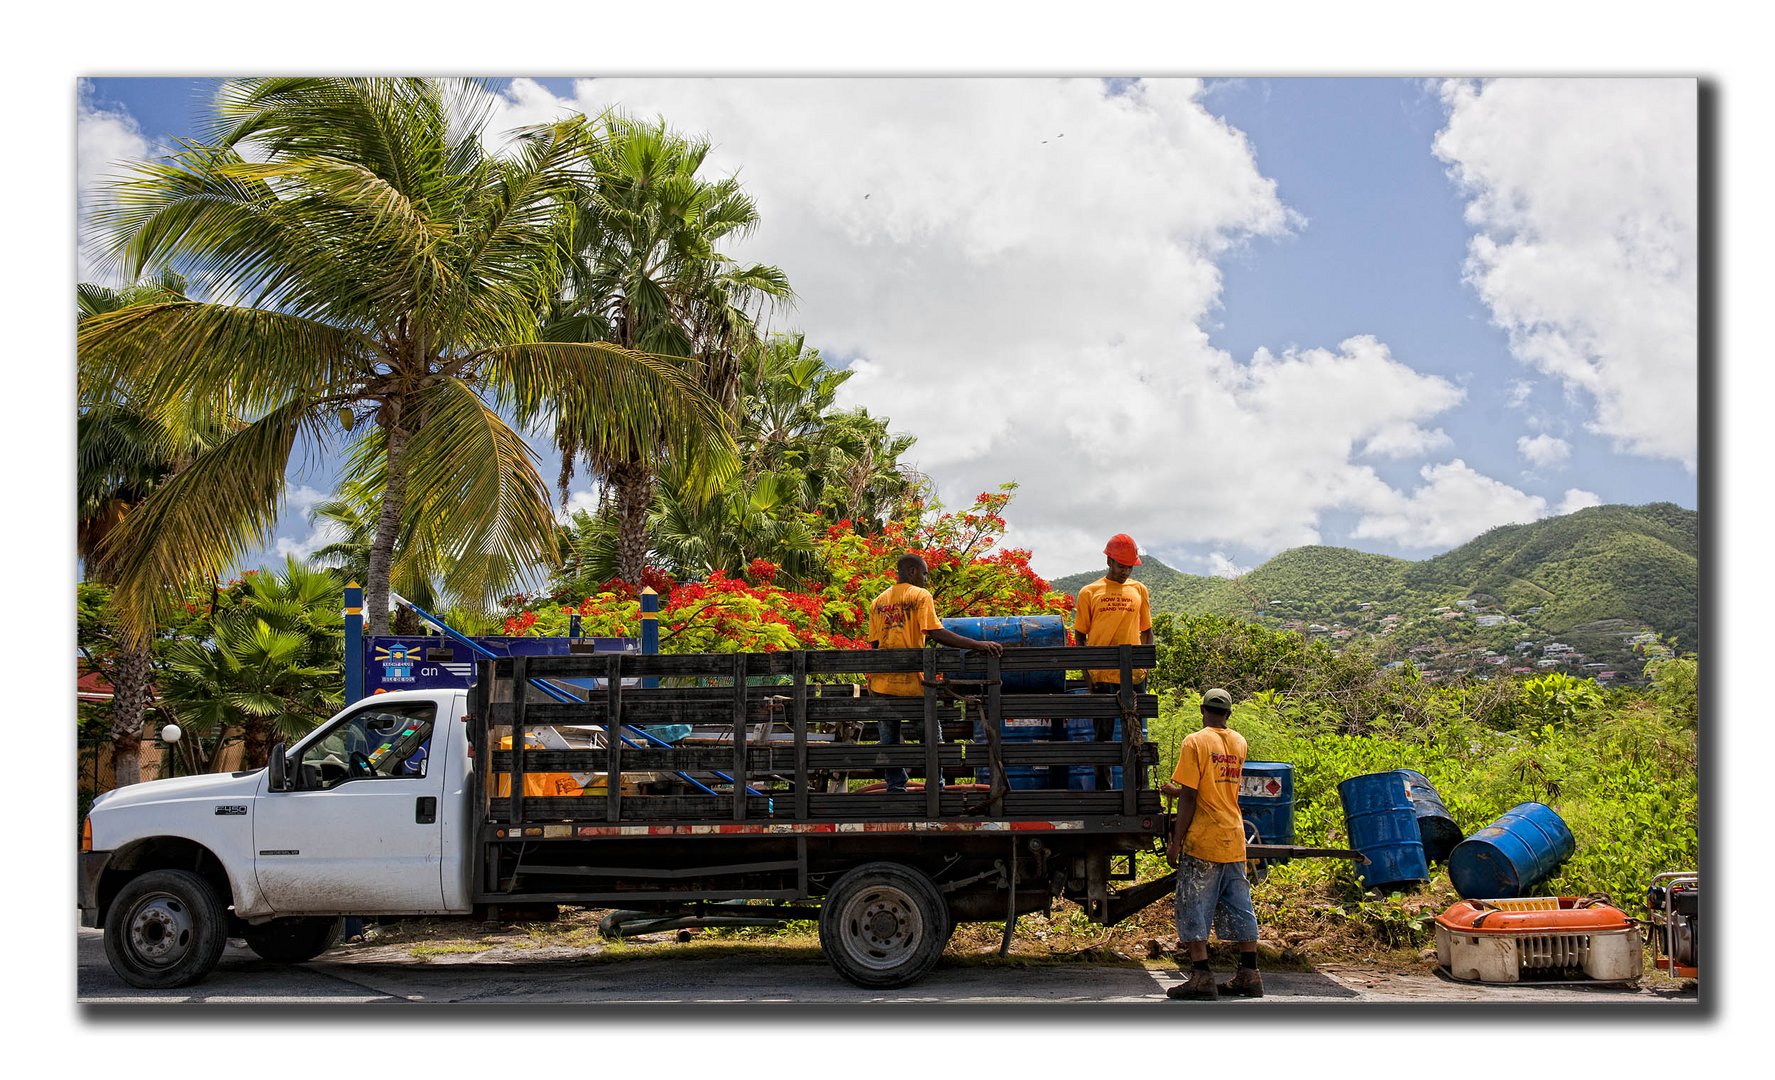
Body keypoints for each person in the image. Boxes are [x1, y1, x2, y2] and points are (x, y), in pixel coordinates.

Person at [866, 554, 1003, 793]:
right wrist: (977, 645)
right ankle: (935, 787)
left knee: (889, 739)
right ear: (911, 571)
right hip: (913, 684)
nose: (926, 579)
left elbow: (875, 646)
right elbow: (936, 633)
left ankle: (896, 788)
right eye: (924, 573)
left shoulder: (878, 601)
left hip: (883, 683)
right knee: (930, 737)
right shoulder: (920, 596)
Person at [1159, 687, 1261, 1000]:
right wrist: (1177, 792)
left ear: (1203, 710)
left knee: (1193, 906)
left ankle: (1201, 976)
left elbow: (1191, 795)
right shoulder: (1239, 742)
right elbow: (1213, 788)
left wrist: (1176, 842)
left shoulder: (1195, 741)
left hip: (1204, 839)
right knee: (1239, 905)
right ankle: (1249, 973)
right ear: (1228, 714)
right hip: (1233, 836)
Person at [1073, 533, 1153, 788]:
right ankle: (1103, 790)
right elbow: (1080, 636)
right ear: (1109, 560)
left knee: (1135, 735)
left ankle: (1139, 789)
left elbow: (1147, 631)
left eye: (1129, 566)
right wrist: (1088, 676)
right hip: (1102, 675)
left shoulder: (1139, 590)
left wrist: (1145, 664)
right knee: (1103, 736)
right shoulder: (1089, 592)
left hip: (1133, 676)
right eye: (1121, 565)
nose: (1125, 571)